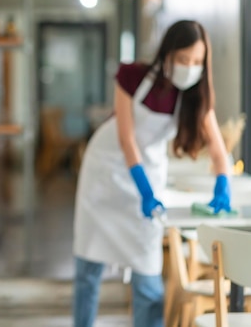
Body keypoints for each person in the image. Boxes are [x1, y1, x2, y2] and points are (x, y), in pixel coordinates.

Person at [73, 20, 231, 327]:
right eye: (183, 60)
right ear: (167, 54)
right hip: (106, 172)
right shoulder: (132, 76)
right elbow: (125, 139)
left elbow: (218, 150)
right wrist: (143, 189)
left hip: (149, 178)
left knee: (147, 273)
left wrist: (223, 186)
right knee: (88, 268)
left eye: (197, 62)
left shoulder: (196, 96)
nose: (190, 68)